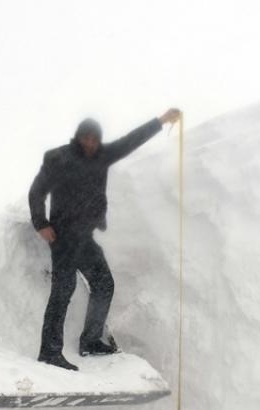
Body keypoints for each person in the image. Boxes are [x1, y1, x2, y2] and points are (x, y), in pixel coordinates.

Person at [29, 108, 182, 371]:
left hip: (85, 239)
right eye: (85, 138)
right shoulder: (58, 158)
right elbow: (37, 192)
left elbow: (131, 140)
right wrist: (40, 223)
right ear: (78, 137)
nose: (90, 143)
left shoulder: (102, 156)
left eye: (94, 139)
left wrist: (161, 120)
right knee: (63, 291)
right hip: (63, 237)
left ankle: (90, 341)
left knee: (104, 284)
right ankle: (49, 351)